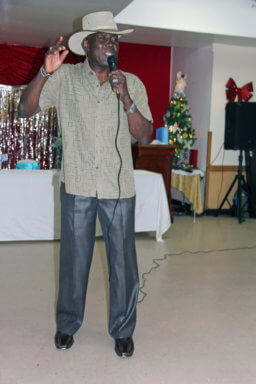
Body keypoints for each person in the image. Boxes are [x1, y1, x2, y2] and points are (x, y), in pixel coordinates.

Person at [18, 11, 153, 358]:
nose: (111, 44)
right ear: (88, 44)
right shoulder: (64, 78)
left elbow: (146, 137)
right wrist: (44, 72)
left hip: (119, 188)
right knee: (74, 261)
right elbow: (25, 110)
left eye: (115, 39)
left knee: (123, 263)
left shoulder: (131, 82)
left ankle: (123, 330)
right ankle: (67, 324)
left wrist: (127, 99)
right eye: (104, 39)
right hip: (77, 183)